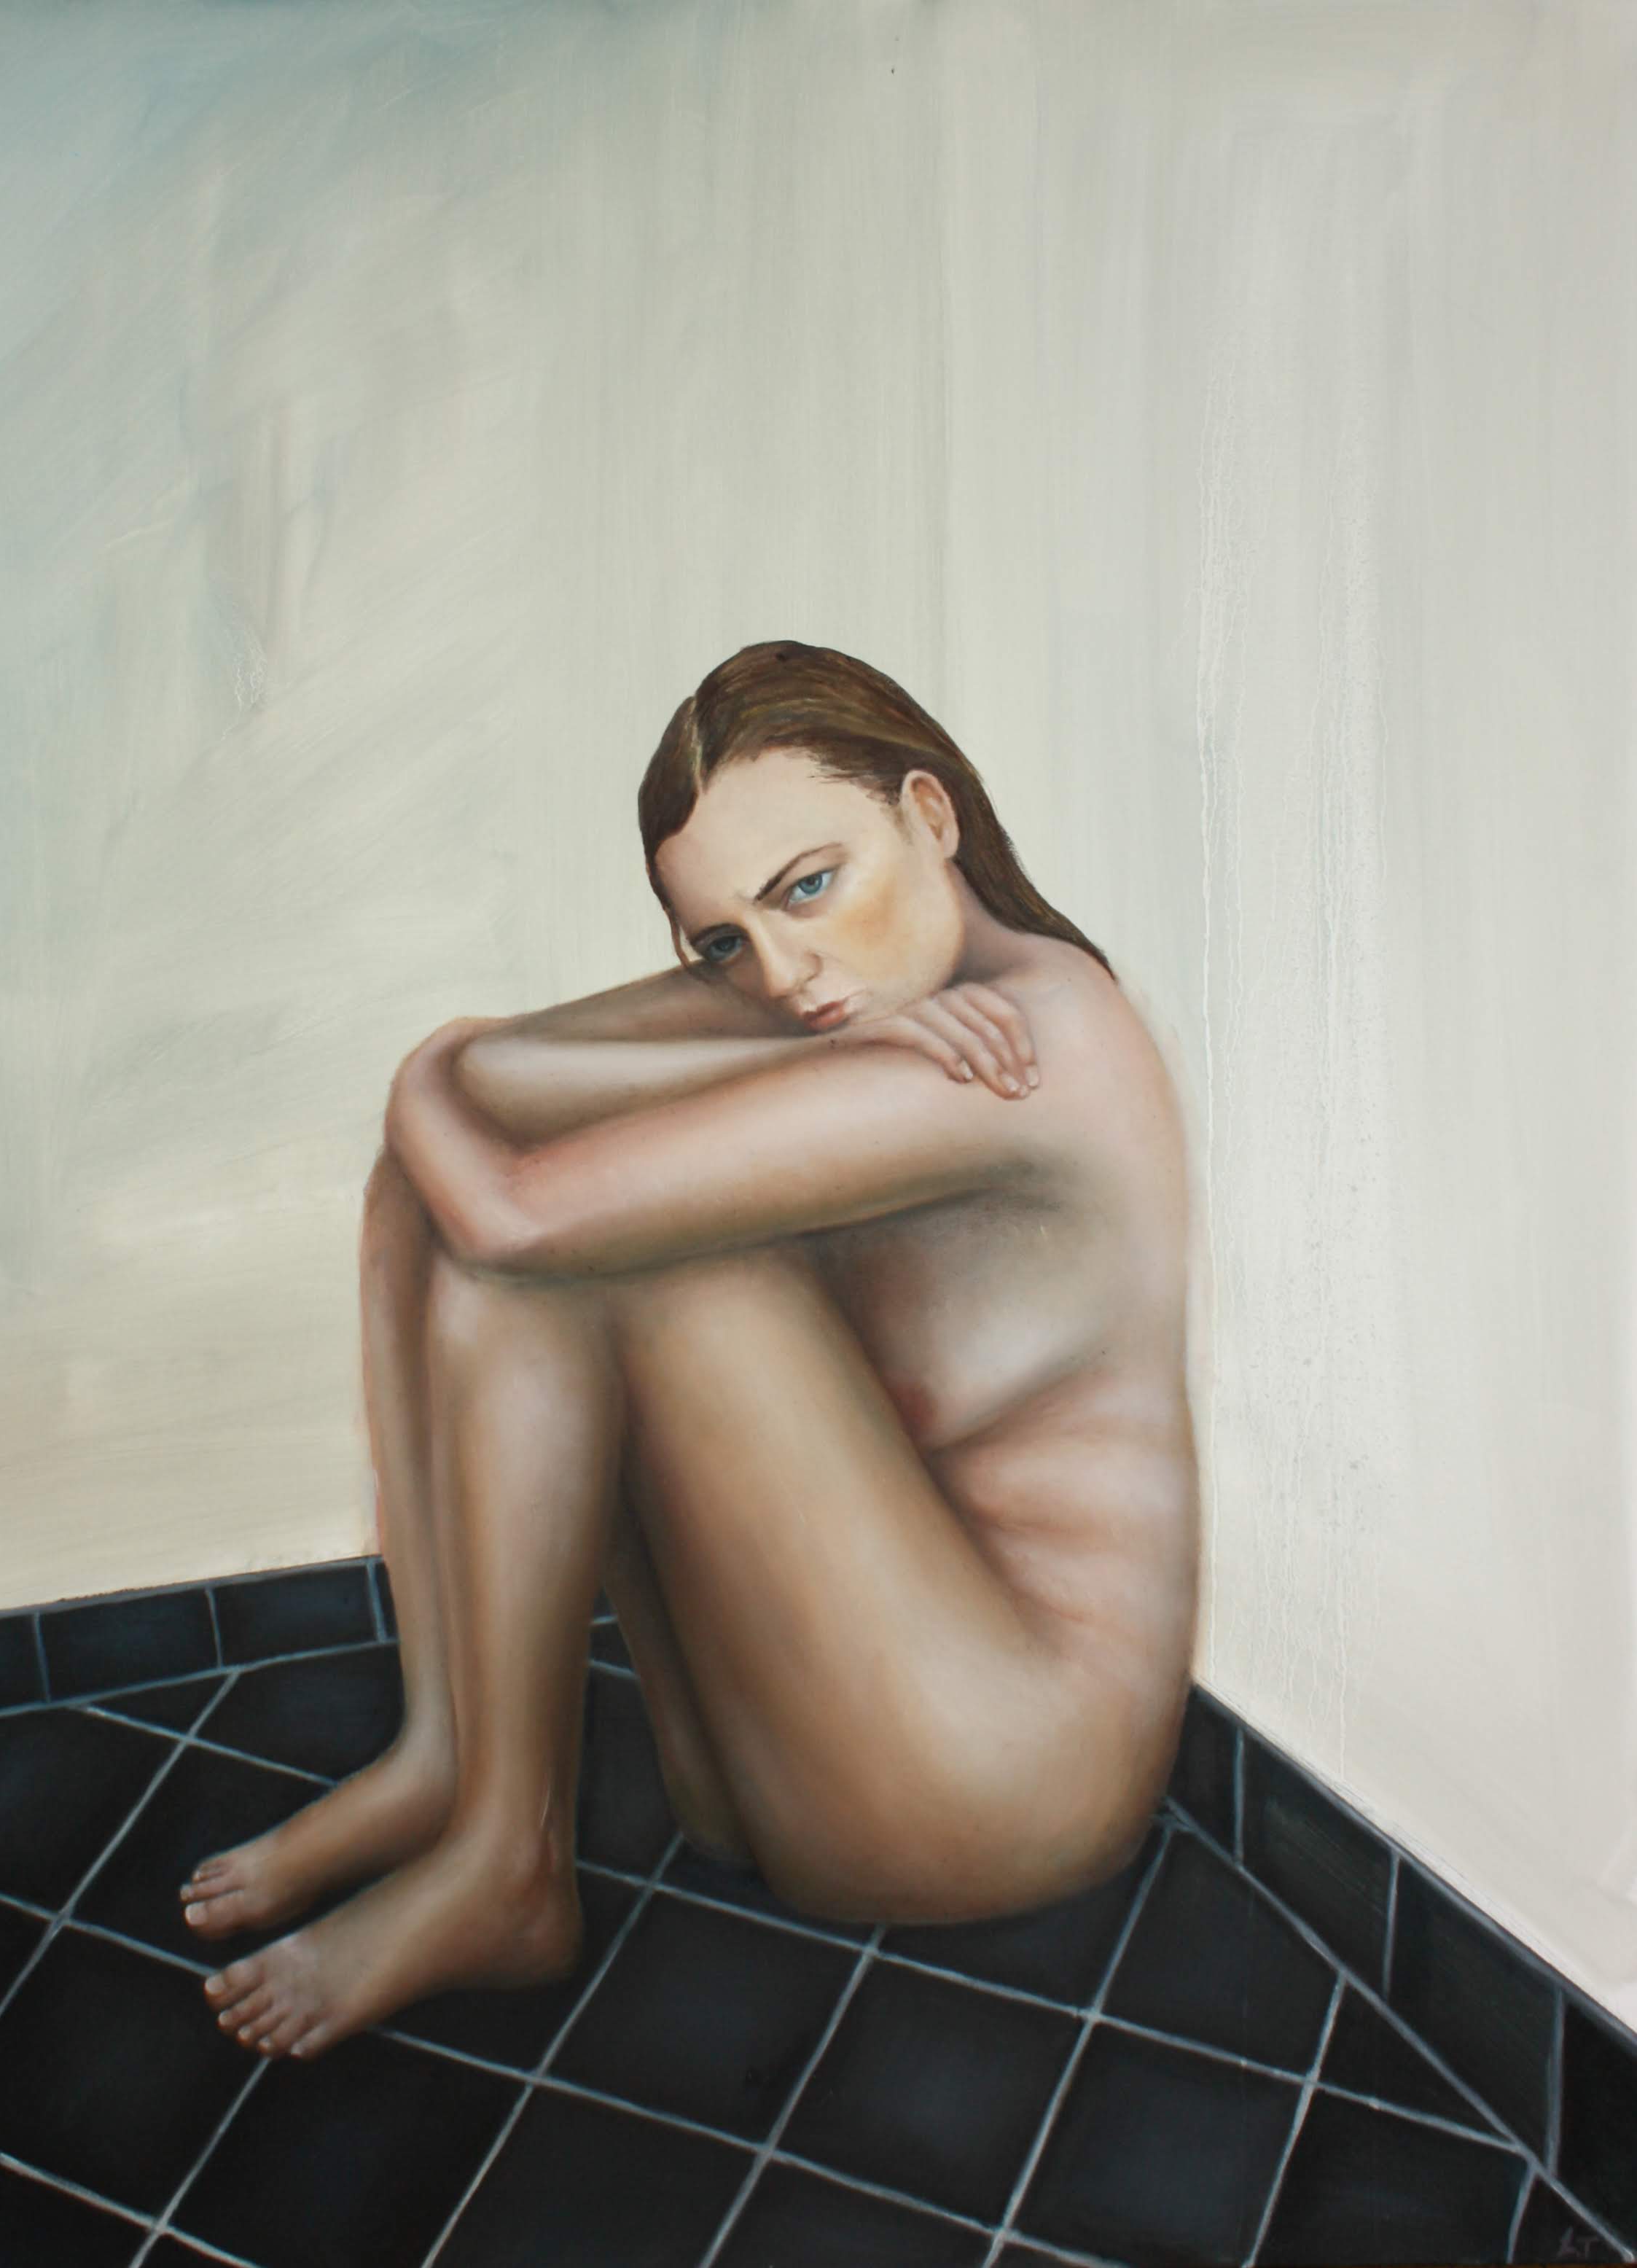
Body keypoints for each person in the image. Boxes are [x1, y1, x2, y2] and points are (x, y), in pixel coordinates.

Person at [183, 640, 1200, 2062]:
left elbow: (511, 1196)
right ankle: (448, 1756)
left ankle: (504, 1857)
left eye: (809, 886)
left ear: (929, 814)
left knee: (564, 1235)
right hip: (810, 1721)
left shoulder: (1046, 1040)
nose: (781, 973)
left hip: (1009, 1776)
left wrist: (420, 1069)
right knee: (451, 1176)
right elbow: (498, 1081)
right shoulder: (847, 1004)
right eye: (721, 942)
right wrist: (799, 1050)